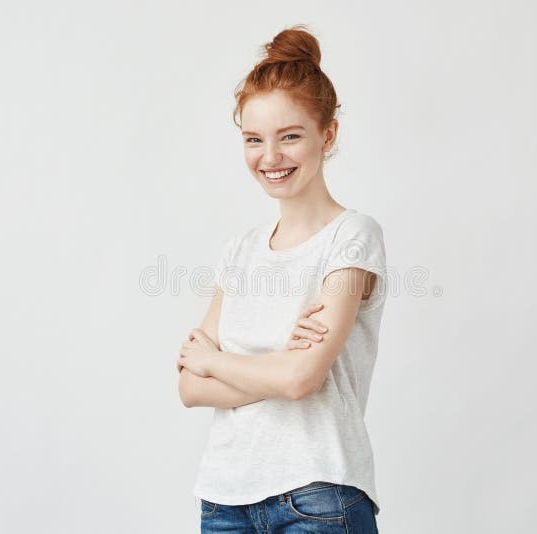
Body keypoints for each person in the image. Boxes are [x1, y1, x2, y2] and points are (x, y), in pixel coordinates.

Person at [176, 24, 387, 533]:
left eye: (289, 136)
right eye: (254, 139)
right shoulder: (241, 250)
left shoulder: (351, 237)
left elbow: (302, 378)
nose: (270, 158)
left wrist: (219, 362)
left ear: (327, 134)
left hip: (317, 494)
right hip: (223, 498)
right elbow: (189, 386)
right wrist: (272, 368)